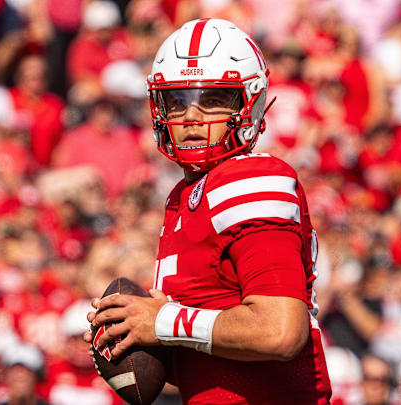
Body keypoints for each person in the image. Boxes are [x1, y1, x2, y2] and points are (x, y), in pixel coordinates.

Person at [84, 18, 332, 404]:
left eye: (215, 99)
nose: (192, 116)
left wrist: (161, 321)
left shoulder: (250, 177)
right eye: (177, 100)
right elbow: (216, 369)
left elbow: (279, 331)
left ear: (251, 101)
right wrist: (132, 335)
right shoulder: (185, 196)